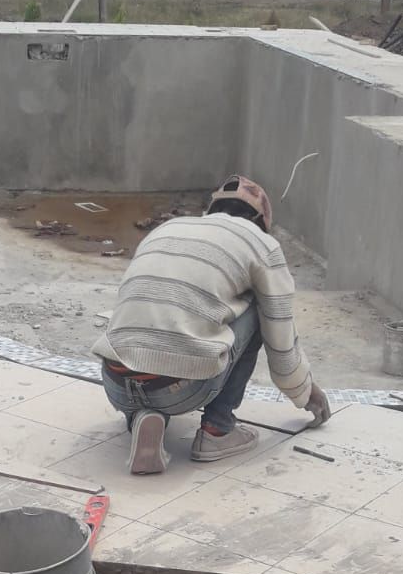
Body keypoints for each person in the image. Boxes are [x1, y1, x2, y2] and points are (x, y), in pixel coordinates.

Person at [95, 175, 331, 475]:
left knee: (157, 322)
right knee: (262, 310)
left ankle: (141, 416)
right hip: (181, 389)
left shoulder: (168, 229)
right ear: (261, 220)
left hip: (115, 382)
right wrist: (304, 390)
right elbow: (280, 337)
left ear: (212, 209)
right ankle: (217, 431)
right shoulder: (260, 243)